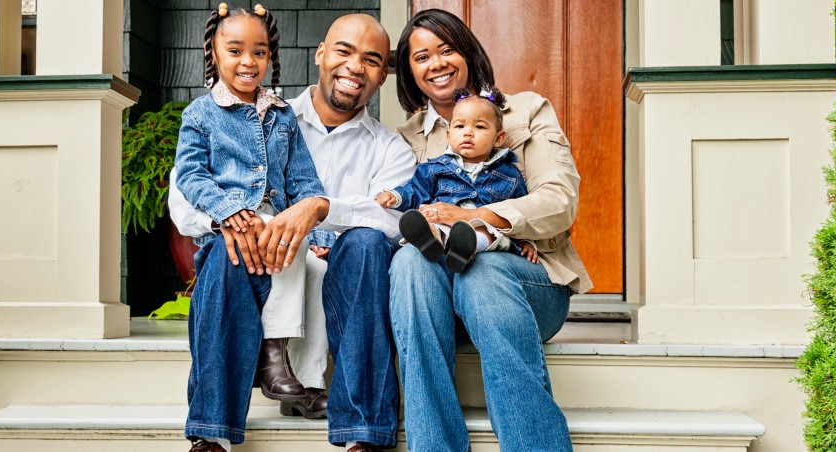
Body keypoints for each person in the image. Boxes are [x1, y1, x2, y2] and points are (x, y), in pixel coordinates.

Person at [170, 13, 415, 451]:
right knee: (231, 251)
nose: (355, 67)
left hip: (340, 275)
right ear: (320, 54)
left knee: (363, 244)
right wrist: (231, 221)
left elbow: (393, 222)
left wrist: (319, 215)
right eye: (344, 50)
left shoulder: (389, 148)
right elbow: (184, 199)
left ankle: (362, 433)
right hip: (250, 257)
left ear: (383, 74)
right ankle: (212, 432)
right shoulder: (237, 115)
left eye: (372, 60)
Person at [388, 8, 594, 452]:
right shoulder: (404, 138)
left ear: (467, 52)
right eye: (421, 56)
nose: (436, 63)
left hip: (525, 286)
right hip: (436, 302)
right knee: (408, 260)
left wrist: (476, 220)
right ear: (409, 71)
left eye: (446, 50)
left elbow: (559, 200)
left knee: (482, 272)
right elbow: (395, 213)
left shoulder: (526, 111)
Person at [174, 4, 329, 451]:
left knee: (288, 240)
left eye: (259, 52)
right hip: (229, 233)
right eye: (235, 50)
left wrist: (316, 235)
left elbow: (305, 183)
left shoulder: (282, 116)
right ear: (214, 53)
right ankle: (231, 410)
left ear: (271, 57)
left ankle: (267, 362)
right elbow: (191, 175)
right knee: (226, 270)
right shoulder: (201, 115)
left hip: (275, 231)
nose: (248, 61)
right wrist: (227, 212)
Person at [376, 87, 541, 272]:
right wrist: (395, 196)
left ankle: (465, 249)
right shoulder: (435, 168)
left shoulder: (510, 175)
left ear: (498, 138)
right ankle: (431, 240)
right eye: (460, 126)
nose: (468, 133)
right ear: (448, 135)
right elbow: (415, 190)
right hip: (443, 224)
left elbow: (519, 211)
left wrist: (527, 241)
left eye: (479, 127)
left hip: (485, 232)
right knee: (434, 222)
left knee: (485, 231)